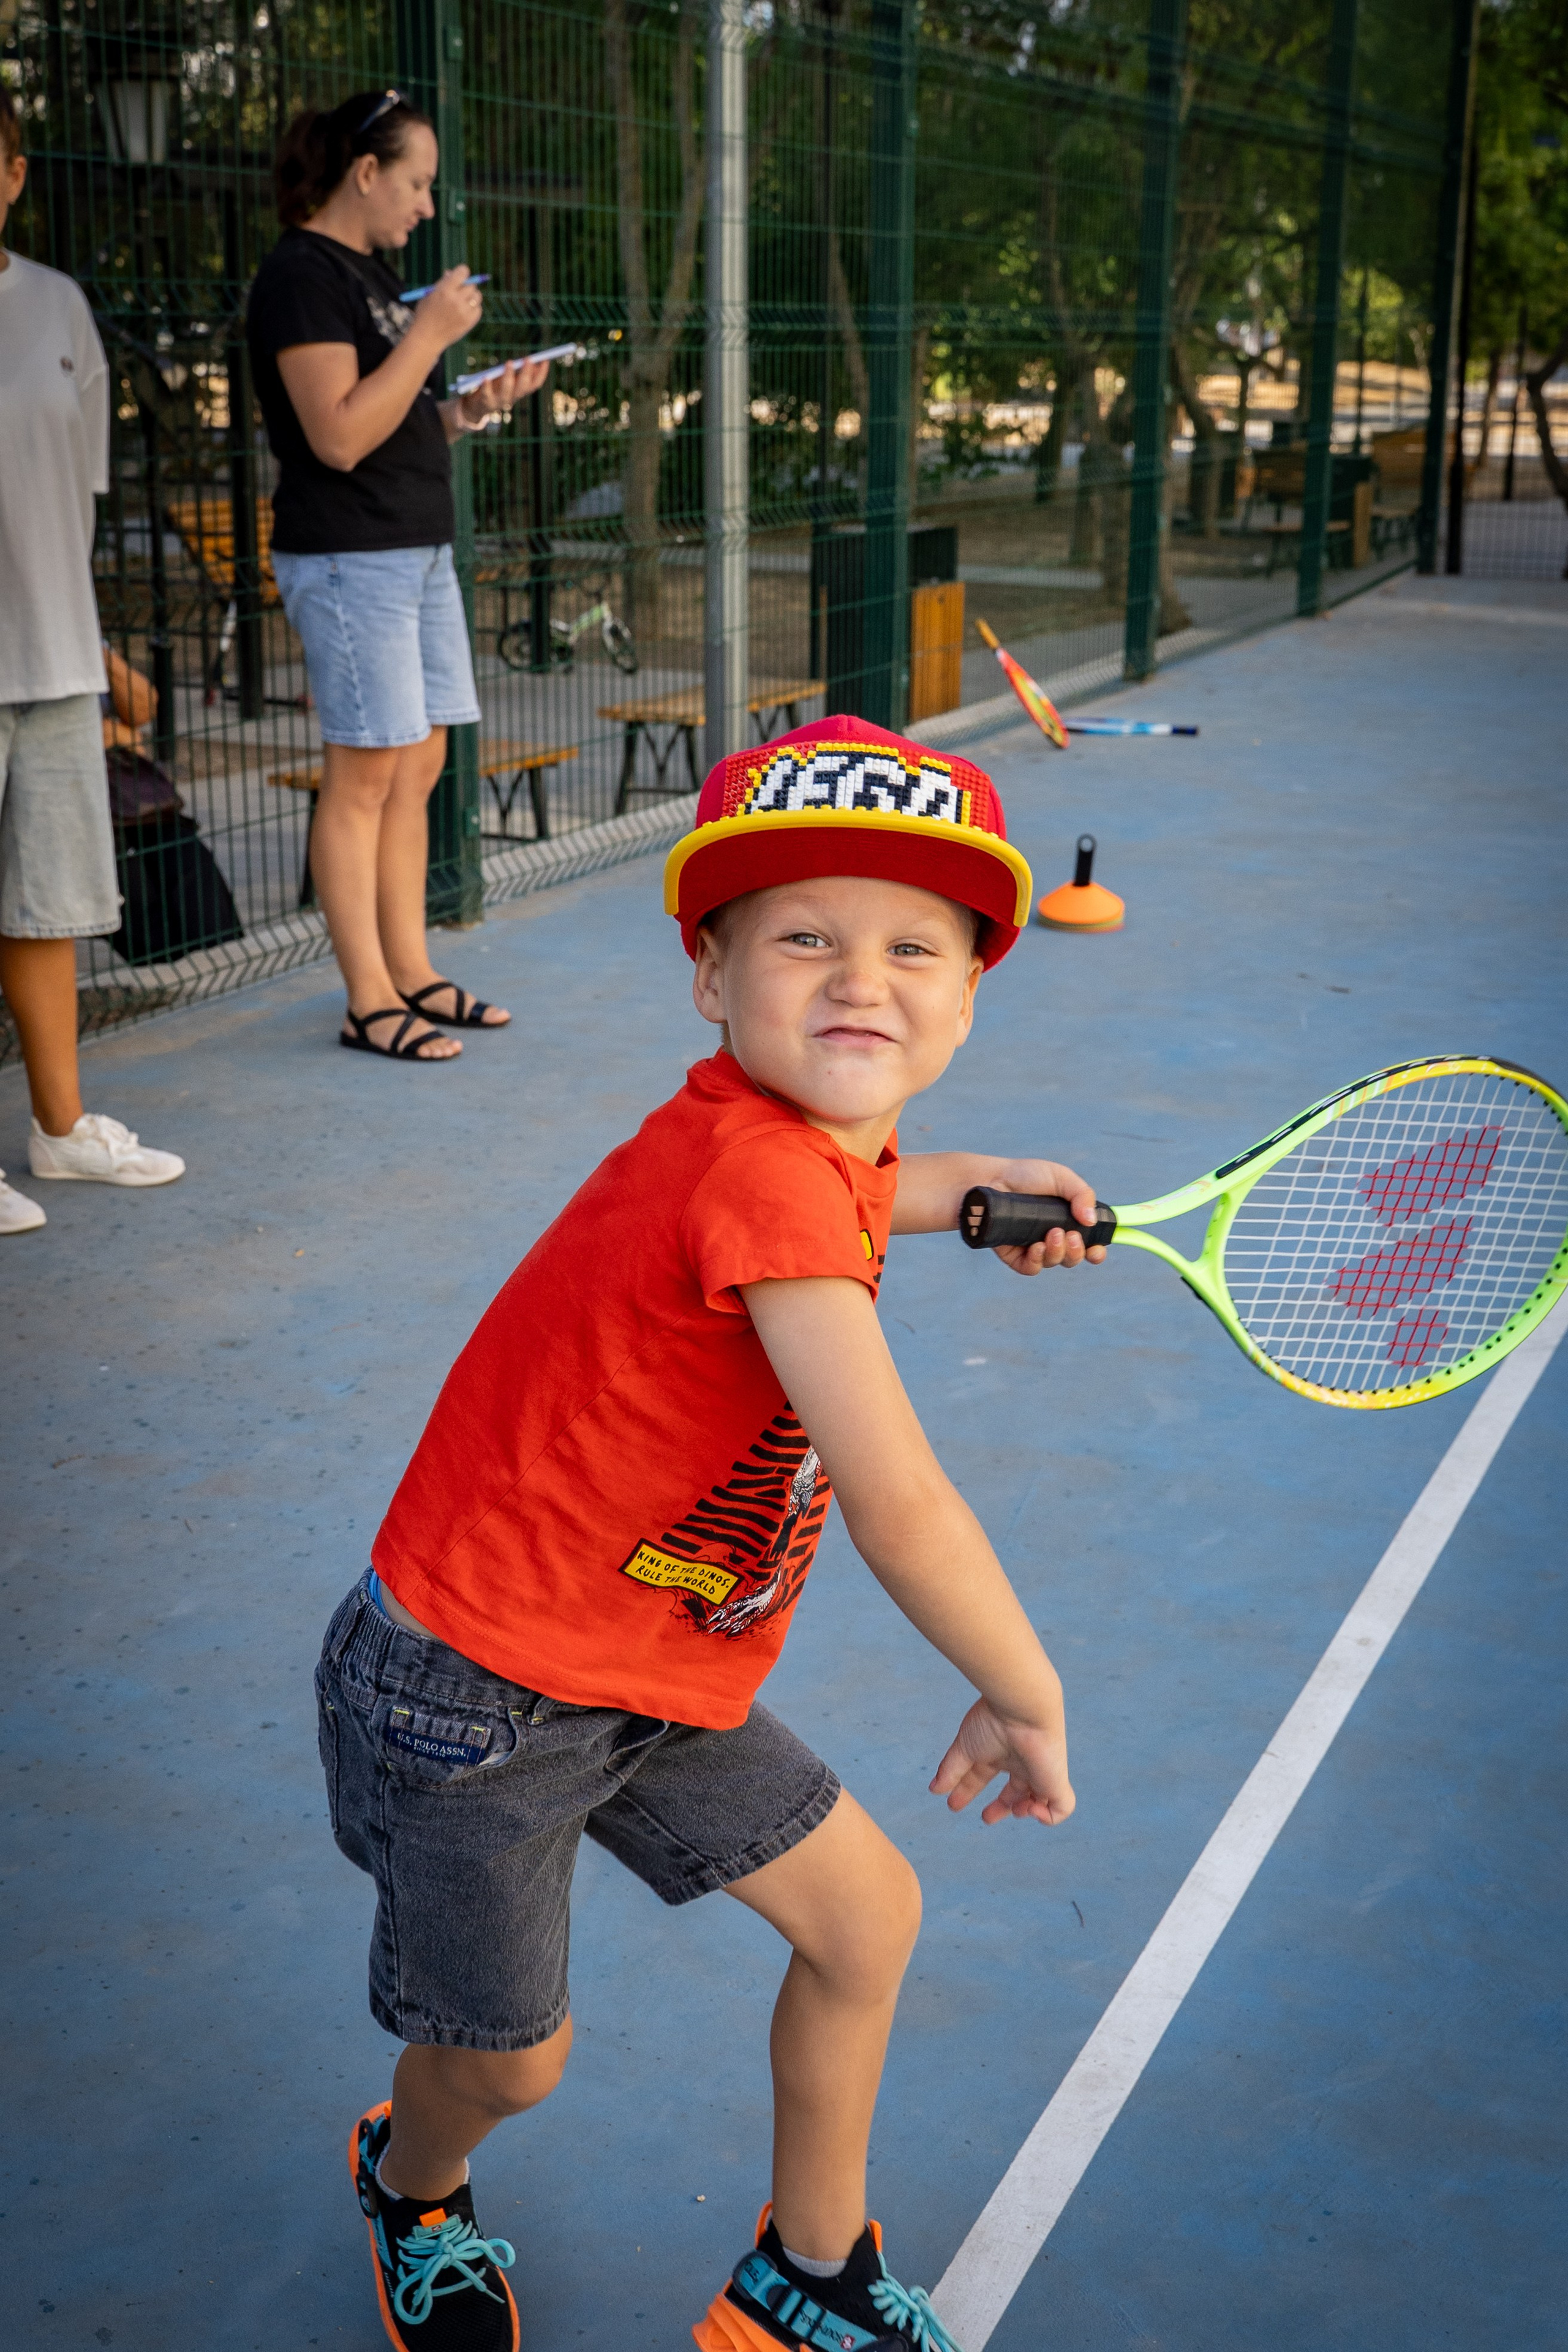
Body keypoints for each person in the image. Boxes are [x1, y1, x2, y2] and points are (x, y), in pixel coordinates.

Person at [314, 712, 1107, 2351]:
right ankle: (413, 2178)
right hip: (478, 1694)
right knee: (507, 2058)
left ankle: (802, 2270)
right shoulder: (760, 1175)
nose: (857, 980)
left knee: (865, 1918)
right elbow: (897, 1498)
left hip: (652, 1663)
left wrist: (979, 1188)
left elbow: (866, 1179)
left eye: (910, 946)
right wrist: (1024, 1687)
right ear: (713, 975)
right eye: (803, 936)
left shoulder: (814, 1146)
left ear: (969, 992)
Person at [248, 89, 548, 1065]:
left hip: (412, 549)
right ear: (365, 171)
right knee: (365, 773)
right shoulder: (303, 274)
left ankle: (411, 971)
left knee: (417, 765)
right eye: (415, 181)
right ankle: (367, 999)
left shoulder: (372, 277)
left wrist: (473, 407)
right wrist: (429, 338)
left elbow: (392, 420)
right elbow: (335, 435)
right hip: (349, 555)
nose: (425, 205)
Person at [0, 84, 184, 1240]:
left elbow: (67, 501)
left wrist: (95, 647)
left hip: (56, 658)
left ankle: (60, 1134)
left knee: (44, 906)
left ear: (14, 176)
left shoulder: (59, 308)